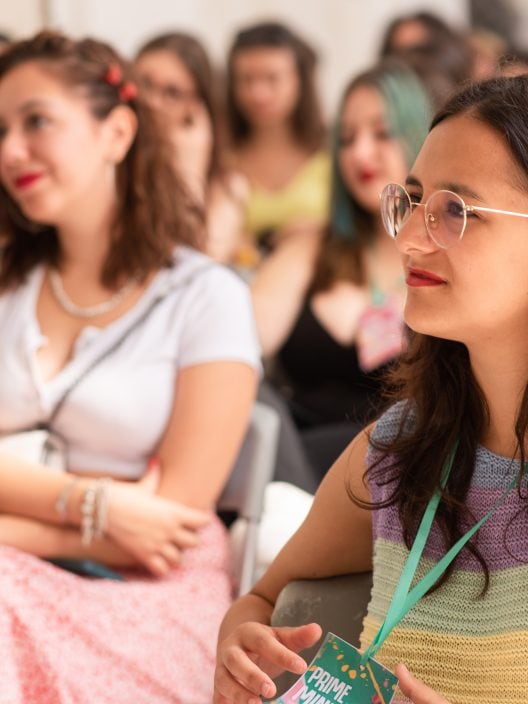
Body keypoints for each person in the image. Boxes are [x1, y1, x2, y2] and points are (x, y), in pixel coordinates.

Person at [214, 73, 528, 704]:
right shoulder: (395, 448)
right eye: (411, 201)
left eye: (454, 211)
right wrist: (242, 644)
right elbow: (263, 599)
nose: (410, 237)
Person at [0, 30, 260, 703]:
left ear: (117, 132)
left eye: (36, 121)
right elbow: (127, 520)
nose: (9, 151)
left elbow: (163, 529)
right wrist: (96, 503)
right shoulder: (8, 287)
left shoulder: (208, 296)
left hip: (148, 593)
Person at [252, 59, 431, 484]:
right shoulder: (308, 249)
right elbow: (233, 347)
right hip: (291, 468)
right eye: (347, 139)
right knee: (246, 393)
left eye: (382, 133)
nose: (360, 153)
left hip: (399, 475)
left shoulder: (445, 254)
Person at [134, 31, 249, 264]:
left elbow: (197, 264)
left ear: (198, 109)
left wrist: (190, 168)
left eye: (172, 93)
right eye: (144, 83)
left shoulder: (228, 188)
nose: (152, 101)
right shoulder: (110, 165)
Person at [225, 20, 329, 262]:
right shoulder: (222, 157)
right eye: (246, 79)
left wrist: (323, 231)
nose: (258, 93)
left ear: (299, 80)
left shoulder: (333, 152)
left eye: (272, 78)